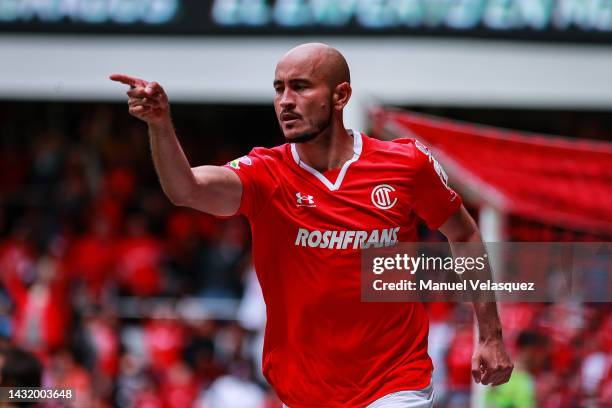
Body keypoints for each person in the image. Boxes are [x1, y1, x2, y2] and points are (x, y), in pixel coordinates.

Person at [110, 42, 513, 407]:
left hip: (395, 383)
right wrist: (160, 125)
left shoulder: (405, 163)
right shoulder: (265, 175)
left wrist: (491, 334)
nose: (285, 101)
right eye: (279, 88)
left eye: (300, 87)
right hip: (302, 393)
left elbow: (464, 234)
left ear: (340, 96)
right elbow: (188, 190)